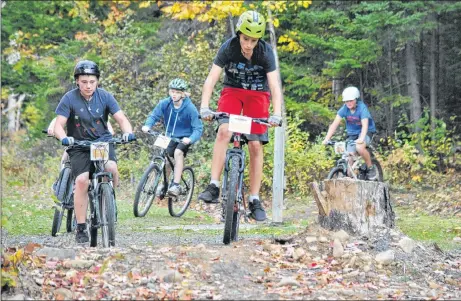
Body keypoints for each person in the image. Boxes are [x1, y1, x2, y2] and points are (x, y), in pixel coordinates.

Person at [198, 10, 283, 222]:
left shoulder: (265, 52)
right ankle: (214, 185)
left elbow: (274, 85)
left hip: (258, 95)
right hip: (233, 92)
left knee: (255, 144)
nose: (248, 44)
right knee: (224, 131)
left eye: (253, 40)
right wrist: (204, 107)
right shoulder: (229, 48)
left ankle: (254, 198)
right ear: (239, 35)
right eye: (246, 39)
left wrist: (277, 113)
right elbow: (211, 79)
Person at [53, 60, 136, 244]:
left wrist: (128, 133)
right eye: (84, 82)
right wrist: (64, 138)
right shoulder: (69, 98)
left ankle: (109, 200)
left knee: (112, 168)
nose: (88, 85)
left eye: (92, 81)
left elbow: (121, 118)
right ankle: (81, 226)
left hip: (101, 143)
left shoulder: (105, 96)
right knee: (82, 181)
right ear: (77, 81)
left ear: (97, 81)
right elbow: (59, 124)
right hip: (80, 146)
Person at [141, 78, 203, 197]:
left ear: (183, 94)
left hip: (184, 137)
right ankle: (165, 183)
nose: (174, 94)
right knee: (166, 158)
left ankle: (176, 185)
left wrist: (190, 139)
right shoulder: (165, 103)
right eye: (172, 91)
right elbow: (154, 115)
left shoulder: (190, 108)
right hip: (169, 136)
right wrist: (147, 125)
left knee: (178, 152)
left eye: (177, 92)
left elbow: (198, 128)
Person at [322, 86, 377, 180]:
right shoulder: (344, 109)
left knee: (359, 147)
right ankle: (350, 176)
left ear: (356, 99)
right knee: (348, 154)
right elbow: (334, 124)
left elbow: (365, 125)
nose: (349, 103)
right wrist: (327, 138)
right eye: (346, 101)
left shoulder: (362, 108)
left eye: (351, 101)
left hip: (366, 131)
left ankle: (370, 168)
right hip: (352, 134)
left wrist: (361, 139)